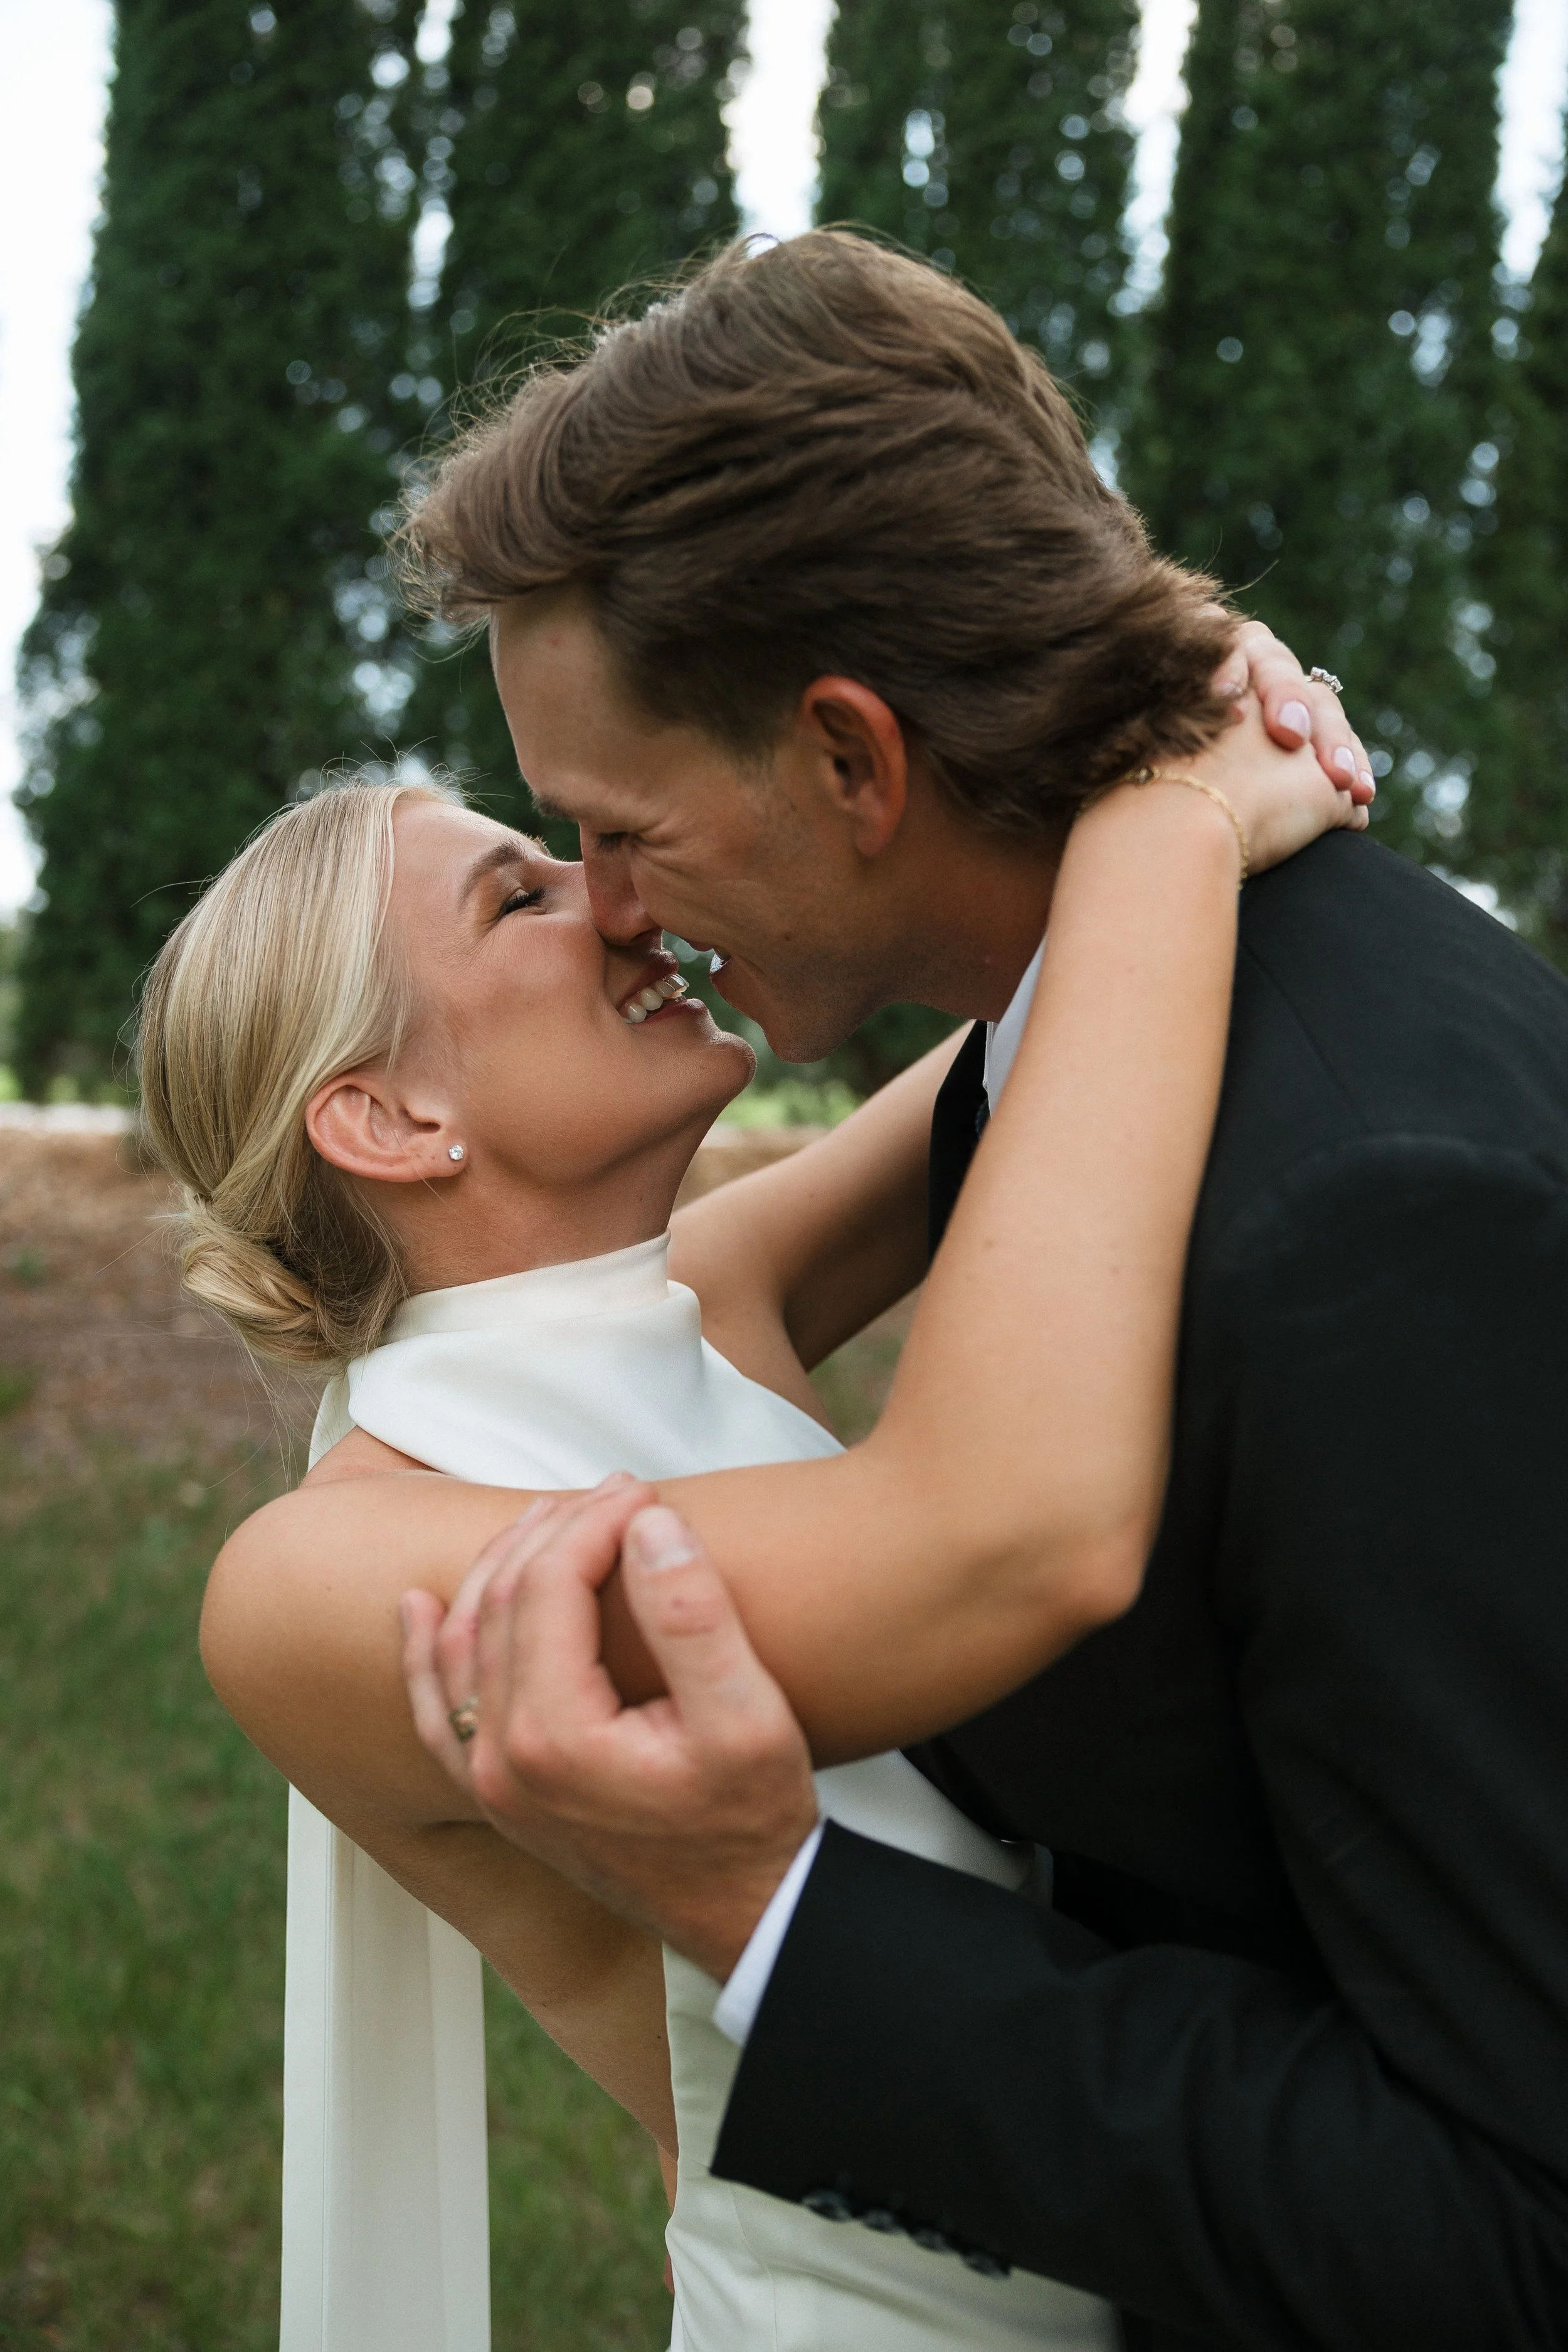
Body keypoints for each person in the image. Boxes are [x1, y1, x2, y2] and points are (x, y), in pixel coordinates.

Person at [365, 232, 1568, 2352]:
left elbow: (1507, 2227)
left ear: (851, 755)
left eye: (617, 829)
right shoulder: (1081, 1054)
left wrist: (777, 1917)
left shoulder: (1364, 1210)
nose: (621, 914)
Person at [147, 716, 1359, 2339]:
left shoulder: (708, 1295)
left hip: (1162, 2205)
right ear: (386, 1119)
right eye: (520, 900)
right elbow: (988, 1541)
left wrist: (1194, 717)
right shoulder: (322, 1581)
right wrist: (1172, 825)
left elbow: (1031, 1054)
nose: (616, 900)